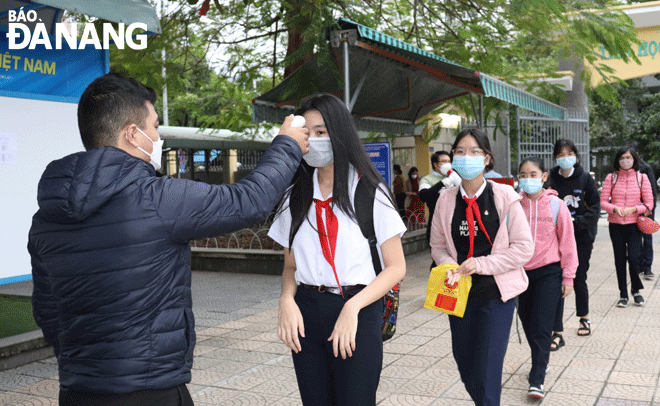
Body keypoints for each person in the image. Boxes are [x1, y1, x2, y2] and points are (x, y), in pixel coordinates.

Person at [28, 73, 309, 406]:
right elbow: (249, 201)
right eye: (156, 127)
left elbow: (46, 310)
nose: (158, 136)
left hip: (78, 391)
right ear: (133, 134)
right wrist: (287, 145)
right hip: (150, 390)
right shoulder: (157, 198)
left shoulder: (47, 216)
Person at [269, 93, 406, 406]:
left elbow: (396, 266)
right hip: (307, 311)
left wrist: (353, 307)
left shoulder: (370, 191)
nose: (314, 140)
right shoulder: (295, 195)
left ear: (340, 133)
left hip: (357, 309)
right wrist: (286, 299)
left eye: (322, 132)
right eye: (308, 133)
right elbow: (290, 267)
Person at [430, 128, 534, 406]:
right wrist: (449, 265)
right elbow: (438, 245)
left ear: (487, 158)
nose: (467, 157)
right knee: (465, 364)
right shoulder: (445, 199)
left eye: (475, 151)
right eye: (460, 151)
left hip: (495, 295)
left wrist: (481, 264)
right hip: (458, 295)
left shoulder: (505, 196)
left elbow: (524, 248)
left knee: (487, 370)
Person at [517, 156, 578, 400]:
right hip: (520, 273)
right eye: (523, 175)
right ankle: (542, 358)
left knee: (542, 326)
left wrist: (569, 277)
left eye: (533, 174)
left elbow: (568, 243)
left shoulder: (556, 206)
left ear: (543, 176)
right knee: (527, 321)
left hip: (549, 272)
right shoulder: (513, 205)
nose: (528, 179)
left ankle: (537, 379)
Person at [547, 139, 600, 348]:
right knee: (557, 279)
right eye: (561, 154)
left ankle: (584, 317)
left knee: (578, 277)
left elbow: (595, 208)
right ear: (555, 157)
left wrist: (576, 223)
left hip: (581, 236)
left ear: (576, 155)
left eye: (569, 153)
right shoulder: (550, 179)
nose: (565, 157)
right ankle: (556, 330)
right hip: (555, 237)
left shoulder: (585, 178)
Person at [600, 146, 654, 308]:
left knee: (634, 258)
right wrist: (614, 208)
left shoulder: (642, 178)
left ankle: (636, 290)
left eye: (628, 158)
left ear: (634, 160)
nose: (625, 161)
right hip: (615, 225)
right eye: (622, 158)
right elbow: (603, 202)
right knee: (619, 260)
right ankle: (623, 294)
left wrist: (634, 209)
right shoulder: (611, 178)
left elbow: (649, 203)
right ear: (618, 160)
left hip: (634, 225)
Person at [637, 155, 657, 280]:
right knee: (634, 237)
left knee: (647, 237)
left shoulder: (646, 168)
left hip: (646, 208)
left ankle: (647, 267)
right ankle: (637, 264)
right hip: (632, 209)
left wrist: (649, 209)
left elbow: (653, 189)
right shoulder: (624, 170)